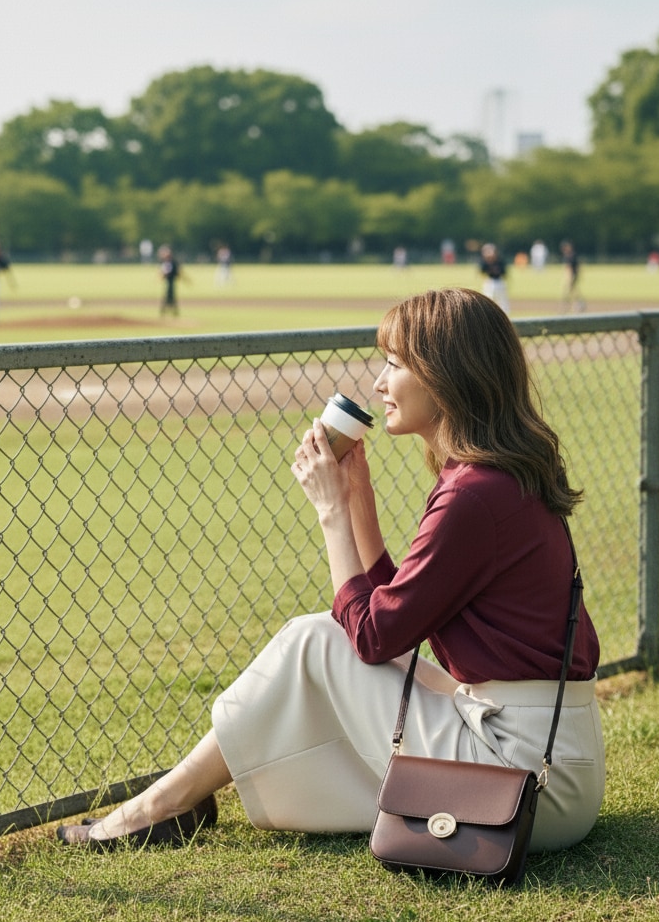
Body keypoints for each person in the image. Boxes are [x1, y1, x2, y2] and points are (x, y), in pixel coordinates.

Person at [57, 288, 605, 856]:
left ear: (445, 375)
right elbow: (399, 612)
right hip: (550, 761)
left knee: (314, 640)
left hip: (524, 781)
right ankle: (172, 801)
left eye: (395, 364)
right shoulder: (494, 476)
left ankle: (158, 808)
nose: (379, 383)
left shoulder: (474, 493)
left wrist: (331, 513)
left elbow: (373, 636)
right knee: (322, 636)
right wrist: (357, 497)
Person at [478, 243, 509, 313]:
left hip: (499, 281)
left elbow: (504, 272)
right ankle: (488, 313)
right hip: (490, 281)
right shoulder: (485, 262)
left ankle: (505, 313)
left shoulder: (500, 261)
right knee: (488, 298)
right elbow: (482, 271)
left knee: (502, 300)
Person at [560, 240, 586, 313]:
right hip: (574, 275)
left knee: (569, 292)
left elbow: (569, 268)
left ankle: (571, 306)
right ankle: (578, 304)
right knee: (573, 291)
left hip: (572, 276)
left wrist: (569, 278)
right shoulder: (572, 255)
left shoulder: (570, 256)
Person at [158, 244, 183, 315]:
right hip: (168, 281)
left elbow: (177, 271)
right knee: (167, 295)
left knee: (172, 295)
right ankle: (165, 310)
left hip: (172, 281)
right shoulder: (166, 262)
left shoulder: (172, 262)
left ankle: (173, 311)